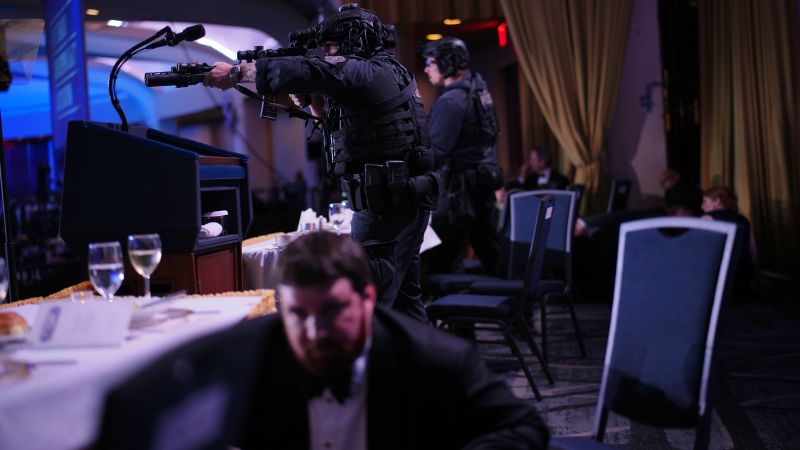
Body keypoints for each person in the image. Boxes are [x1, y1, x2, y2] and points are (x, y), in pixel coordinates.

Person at [204, 4, 439, 321]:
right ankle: (421, 353)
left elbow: (310, 69)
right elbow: (343, 130)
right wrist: (313, 103)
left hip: (386, 208)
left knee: (365, 310)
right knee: (405, 306)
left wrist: (237, 73)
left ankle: (371, 355)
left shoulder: (368, 72)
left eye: (332, 46)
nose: (329, 53)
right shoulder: (388, 73)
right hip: (399, 201)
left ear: (354, 41)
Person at [239, 231, 550, 449]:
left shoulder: (435, 359)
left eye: (332, 310)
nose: (314, 332)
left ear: (368, 298)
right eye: (298, 313)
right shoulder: (251, 359)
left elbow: (524, 426)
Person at [421, 37, 503, 274]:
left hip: (459, 192)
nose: (426, 68)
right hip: (481, 182)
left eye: (430, 62)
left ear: (447, 63)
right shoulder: (479, 91)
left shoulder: (450, 101)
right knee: (492, 252)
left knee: (443, 263)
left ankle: (452, 299)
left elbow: (436, 153)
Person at [701, 186, 757, 299]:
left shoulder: (708, 218)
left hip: (719, 278)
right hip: (742, 277)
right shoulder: (743, 220)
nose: (702, 206)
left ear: (717, 201)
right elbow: (754, 253)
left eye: (705, 201)